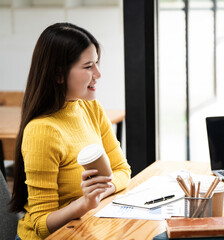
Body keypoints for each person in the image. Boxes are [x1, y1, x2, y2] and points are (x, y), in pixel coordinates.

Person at [9, 23, 132, 240]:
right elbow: (41, 226)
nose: (98, 74)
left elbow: (123, 170)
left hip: (84, 227)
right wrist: (84, 203)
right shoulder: (42, 131)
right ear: (58, 75)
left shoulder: (90, 108)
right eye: (88, 66)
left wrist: (100, 192)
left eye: (96, 63)